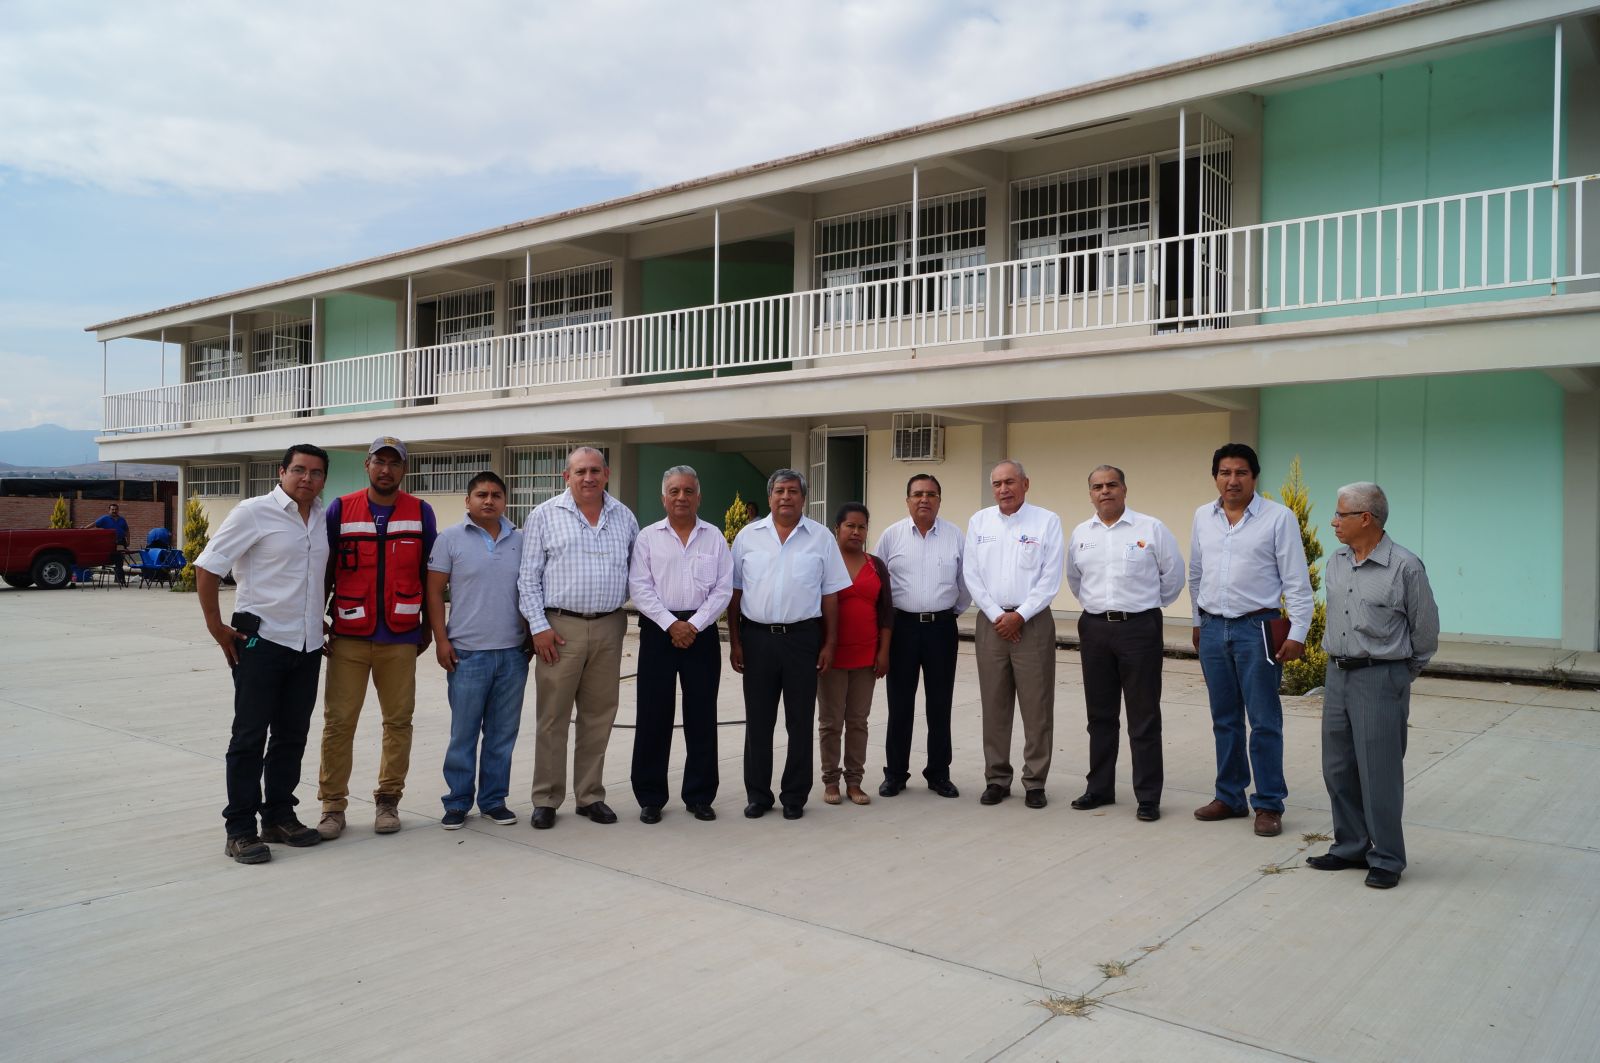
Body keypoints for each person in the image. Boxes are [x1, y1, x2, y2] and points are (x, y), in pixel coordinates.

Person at [194, 444, 331, 864]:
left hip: (307, 645)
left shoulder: (324, 517)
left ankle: (279, 816)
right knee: (250, 737)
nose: (307, 478)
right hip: (261, 643)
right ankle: (239, 829)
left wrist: (316, 616)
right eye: (299, 470)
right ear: (282, 471)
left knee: (292, 736)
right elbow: (208, 567)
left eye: (316, 472)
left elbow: (314, 575)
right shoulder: (253, 511)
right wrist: (217, 628)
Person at [1308, 483, 1439, 890]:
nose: (1333, 521)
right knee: (1338, 767)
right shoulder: (1337, 561)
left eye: (1340, 514)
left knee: (1379, 772)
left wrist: (1400, 673)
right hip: (1337, 674)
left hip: (1380, 676)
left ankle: (1386, 857)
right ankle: (1350, 846)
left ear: (1366, 518)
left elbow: (1425, 631)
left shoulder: (1405, 567)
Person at [1189, 442, 1313, 839]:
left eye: (1241, 472)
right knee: (1224, 720)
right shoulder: (1202, 517)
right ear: (1215, 478)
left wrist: (1297, 633)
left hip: (1256, 629)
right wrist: (1197, 622)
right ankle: (1229, 796)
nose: (1232, 480)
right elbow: (1196, 574)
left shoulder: (1278, 518)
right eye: (1225, 472)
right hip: (1213, 628)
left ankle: (1269, 804)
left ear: (1254, 478)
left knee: (1263, 722)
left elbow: (1297, 581)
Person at [317, 436, 437, 839]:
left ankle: (388, 801)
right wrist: (317, 618)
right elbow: (324, 567)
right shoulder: (340, 509)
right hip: (349, 635)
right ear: (367, 465)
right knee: (339, 723)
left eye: (395, 463)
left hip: (400, 636)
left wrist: (429, 628)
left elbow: (430, 576)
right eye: (379, 462)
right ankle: (333, 806)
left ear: (404, 469)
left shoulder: (421, 513)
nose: (386, 470)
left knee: (399, 722)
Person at [518, 447, 638, 830]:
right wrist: (538, 627)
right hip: (559, 629)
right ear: (565, 476)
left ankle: (590, 795)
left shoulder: (625, 517)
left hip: (609, 626)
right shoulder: (544, 515)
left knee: (599, 715)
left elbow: (640, 572)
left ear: (607, 473)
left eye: (595, 470)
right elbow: (527, 577)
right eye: (580, 471)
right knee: (552, 717)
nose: (588, 477)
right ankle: (547, 798)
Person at [1064, 465, 1185, 822]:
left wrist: (1143, 607)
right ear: (1090, 494)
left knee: (1144, 715)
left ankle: (1147, 796)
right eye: (1098, 487)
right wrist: (1099, 609)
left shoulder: (1151, 528)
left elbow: (1173, 577)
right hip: (1096, 628)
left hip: (1139, 628)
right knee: (1100, 715)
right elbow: (1075, 579)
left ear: (1124, 489)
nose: (1105, 491)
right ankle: (1099, 788)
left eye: (1111, 485)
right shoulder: (1081, 533)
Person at [728, 469, 850, 820]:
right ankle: (758, 795)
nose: (786, 496)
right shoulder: (748, 537)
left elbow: (830, 596)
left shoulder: (821, 538)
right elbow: (735, 594)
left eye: (793, 491)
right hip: (757, 638)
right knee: (759, 720)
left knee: (800, 720)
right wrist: (735, 641)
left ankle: (794, 795)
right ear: (769, 498)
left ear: (803, 497)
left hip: (802, 639)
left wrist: (829, 643)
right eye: (779, 490)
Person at [627, 465, 733, 823]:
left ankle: (700, 795)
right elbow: (640, 588)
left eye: (688, 491)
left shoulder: (714, 537)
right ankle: (650, 796)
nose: (681, 497)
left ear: (698, 497)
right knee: (653, 714)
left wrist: (695, 625)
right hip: (659, 630)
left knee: (702, 715)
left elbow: (723, 589)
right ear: (664, 497)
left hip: (700, 635)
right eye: (674, 491)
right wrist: (673, 624)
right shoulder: (648, 538)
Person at [426, 471, 528, 829]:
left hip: (513, 654)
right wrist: (441, 639)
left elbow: (531, 590)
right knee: (464, 733)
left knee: (502, 734)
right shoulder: (450, 539)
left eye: (496, 494)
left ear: (504, 501)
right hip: (467, 654)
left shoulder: (521, 539)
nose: (489, 500)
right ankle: (456, 801)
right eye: (481, 494)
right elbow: (435, 592)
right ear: (467, 501)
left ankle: (493, 800)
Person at [964, 460, 1064, 809]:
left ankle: (1035, 782)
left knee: (1036, 707)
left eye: (1010, 482)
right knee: (994, 705)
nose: (1003, 489)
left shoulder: (1046, 521)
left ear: (1025, 483)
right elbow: (972, 575)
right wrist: (997, 615)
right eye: (997, 484)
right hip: (991, 623)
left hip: (1032, 622)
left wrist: (1019, 615)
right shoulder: (980, 522)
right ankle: (997, 779)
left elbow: (1050, 578)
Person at [876, 473, 968, 799]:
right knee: (899, 705)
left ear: (939, 500)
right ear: (907, 500)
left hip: (941, 629)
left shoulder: (956, 536)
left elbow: (965, 584)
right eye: (917, 494)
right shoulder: (891, 537)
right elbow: (879, 586)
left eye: (931, 494)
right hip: (901, 629)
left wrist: (948, 613)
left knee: (939, 705)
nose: (924, 499)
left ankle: (939, 774)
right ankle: (896, 774)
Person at [817, 502, 892, 806]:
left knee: (858, 721)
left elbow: (887, 613)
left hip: (866, 657)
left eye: (862, 526)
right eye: (850, 525)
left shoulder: (876, 565)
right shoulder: (824, 562)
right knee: (831, 722)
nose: (856, 532)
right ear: (837, 528)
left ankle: (854, 781)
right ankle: (830, 780)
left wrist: (884, 652)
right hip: (832, 658)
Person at [92, 503, 130, 585]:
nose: (114, 511)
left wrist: (128, 541)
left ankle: (119, 579)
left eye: (116, 509)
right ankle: (120, 579)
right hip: (110, 543)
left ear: (118, 510)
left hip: (121, 542)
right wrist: (84, 528)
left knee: (120, 560)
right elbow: (94, 524)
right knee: (117, 560)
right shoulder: (105, 518)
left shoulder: (122, 519)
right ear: (109, 510)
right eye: (112, 509)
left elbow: (127, 530)